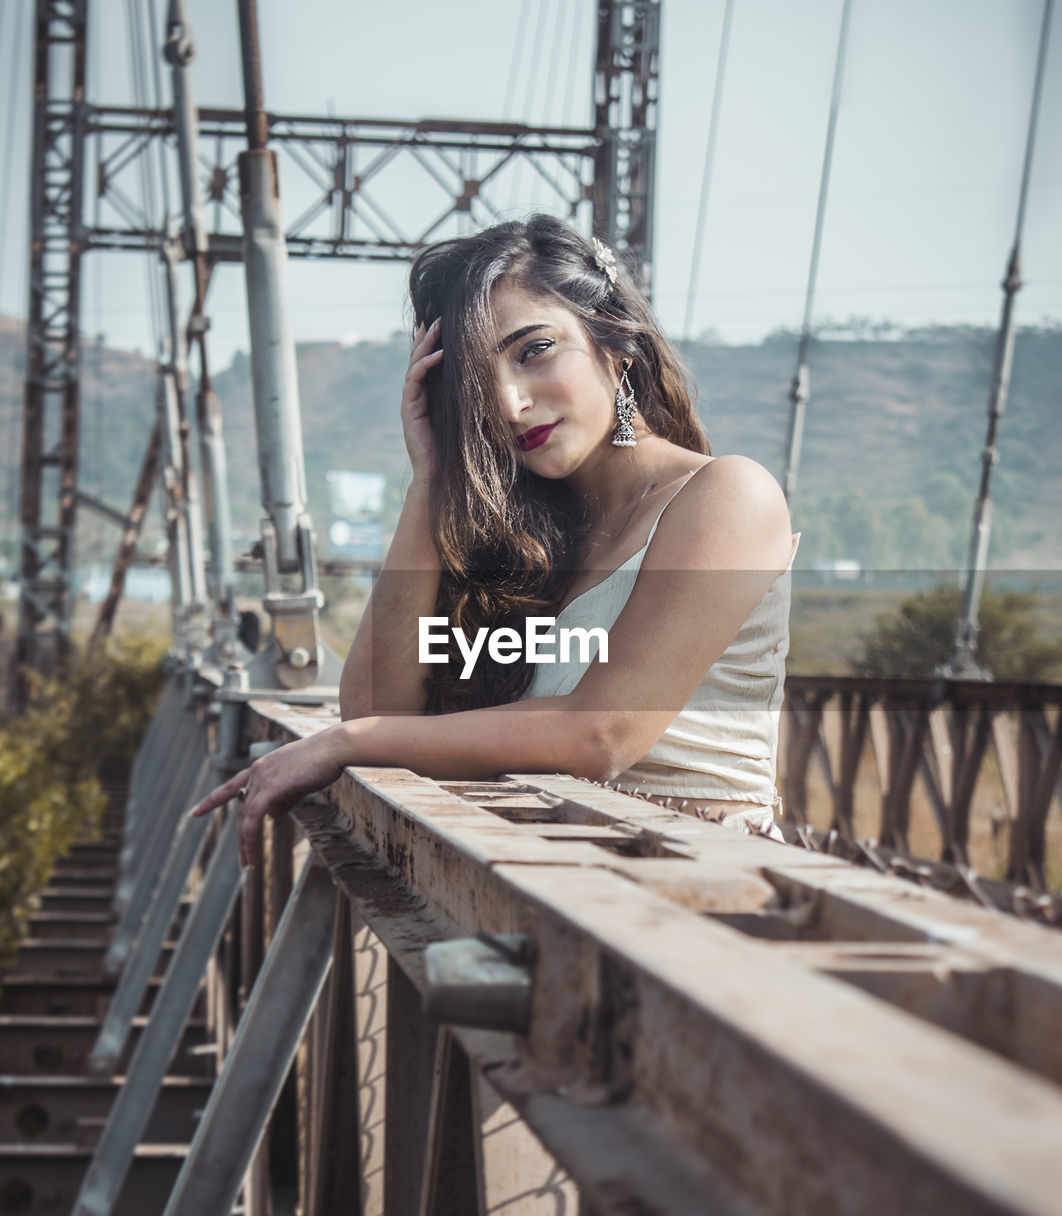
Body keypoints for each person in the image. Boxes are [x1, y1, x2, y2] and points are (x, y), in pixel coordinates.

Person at [192, 215, 796, 867]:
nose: (508, 404)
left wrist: (343, 743)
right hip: (557, 899)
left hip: (707, 900)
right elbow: (371, 707)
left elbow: (602, 734)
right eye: (476, 381)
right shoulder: (528, 549)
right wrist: (432, 480)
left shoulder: (727, 496)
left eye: (534, 350)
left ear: (616, 342)